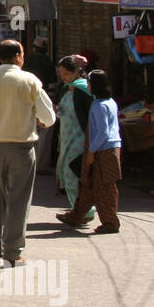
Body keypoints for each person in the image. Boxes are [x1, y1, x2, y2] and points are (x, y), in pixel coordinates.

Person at [0, 39, 57, 266]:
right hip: (22, 147)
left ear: (0, 57)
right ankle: (13, 250)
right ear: (18, 55)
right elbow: (49, 118)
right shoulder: (30, 81)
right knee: (19, 198)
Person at [58, 70, 123, 234]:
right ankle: (76, 215)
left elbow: (103, 132)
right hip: (102, 148)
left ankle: (110, 223)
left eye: (89, 83)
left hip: (104, 150)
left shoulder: (101, 105)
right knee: (87, 184)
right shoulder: (107, 102)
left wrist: (92, 152)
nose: (87, 86)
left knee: (104, 189)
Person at [55, 55, 96, 224]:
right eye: (61, 74)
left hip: (80, 140)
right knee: (67, 173)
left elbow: (90, 117)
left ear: (76, 72)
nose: (63, 77)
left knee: (74, 175)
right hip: (66, 139)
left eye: (66, 74)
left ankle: (84, 211)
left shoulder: (83, 90)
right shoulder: (67, 88)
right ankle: (79, 210)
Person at [23, 36, 59, 174]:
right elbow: (52, 85)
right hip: (42, 100)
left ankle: (28, 162)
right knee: (44, 133)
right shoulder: (49, 63)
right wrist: (52, 101)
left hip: (26, 101)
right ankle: (41, 163)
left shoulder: (27, 61)